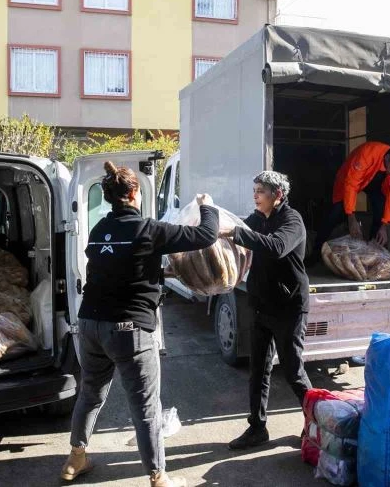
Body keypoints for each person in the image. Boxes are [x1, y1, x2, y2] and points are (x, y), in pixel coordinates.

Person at [62, 161, 219, 486]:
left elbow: (120, 266)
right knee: (146, 406)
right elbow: (206, 235)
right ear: (134, 193)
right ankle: (158, 477)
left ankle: (76, 459)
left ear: (108, 197)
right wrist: (208, 206)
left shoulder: (99, 230)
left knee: (90, 394)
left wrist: (156, 274)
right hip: (128, 330)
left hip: (90, 324)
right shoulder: (150, 229)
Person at [224, 171, 313, 450]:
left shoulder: (292, 220)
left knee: (293, 370)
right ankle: (257, 428)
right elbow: (236, 227)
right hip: (261, 305)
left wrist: (238, 233)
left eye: (260, 191)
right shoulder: (256, 219)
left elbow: (276, 247)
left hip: (288, 307)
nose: (255, 195)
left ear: (278, 195)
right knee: (258, 369)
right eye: (255, 190)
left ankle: (317, 422)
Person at [310, 141, 390, 262]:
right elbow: (351, 185)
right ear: (387, 158)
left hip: (377, 184)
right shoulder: (367, 154)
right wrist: (351, 218)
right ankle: (315, 253)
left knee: (381, 210)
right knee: (335, 213)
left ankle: (373, 257)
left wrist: (385, 224)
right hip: (350, 179)